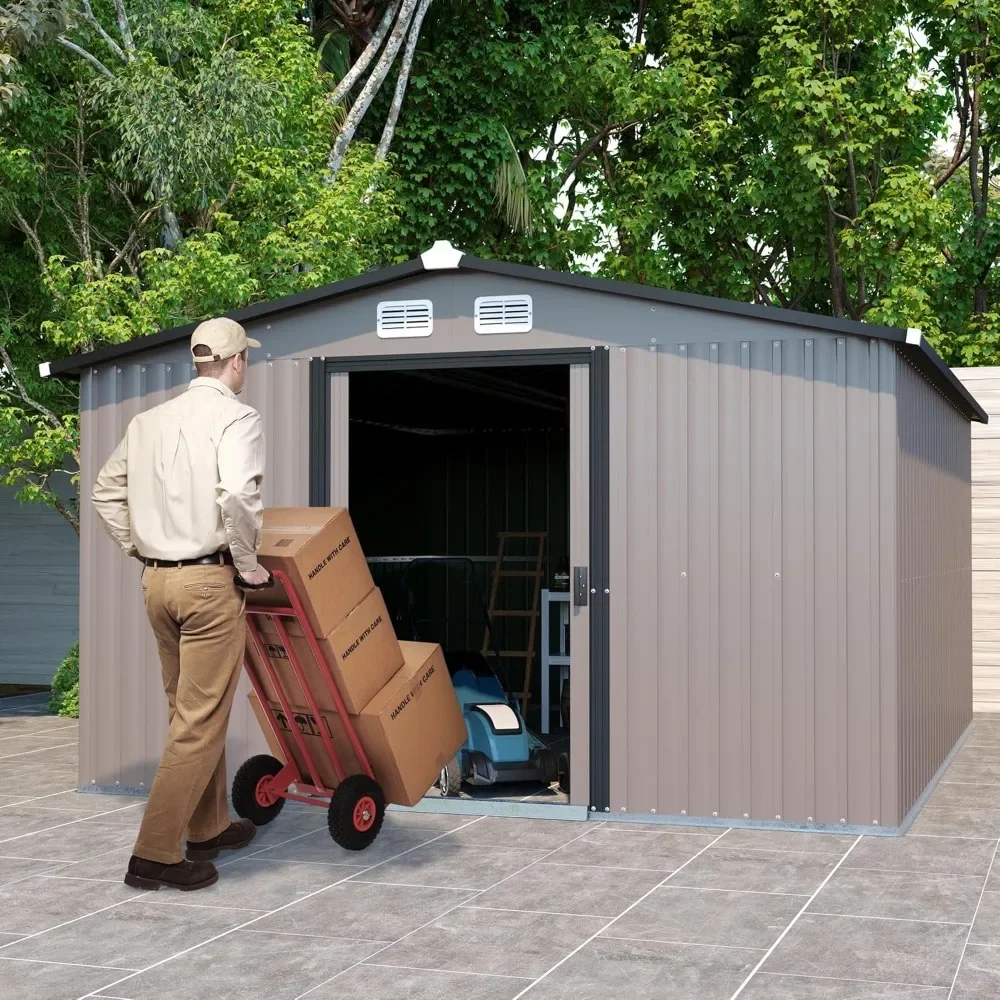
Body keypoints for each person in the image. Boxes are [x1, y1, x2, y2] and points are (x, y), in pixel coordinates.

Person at [92, 316, 271, 892]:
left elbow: (103, 491)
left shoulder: (147, 421)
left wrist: (141, 548)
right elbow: (239, 494)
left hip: (158, 585)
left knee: (190, 713)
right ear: (237, 360)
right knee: (199, 720)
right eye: (248, 359)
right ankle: (154, 855)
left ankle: (209, 825)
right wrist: (247, 564)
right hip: (209, 584)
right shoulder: (238, 417)